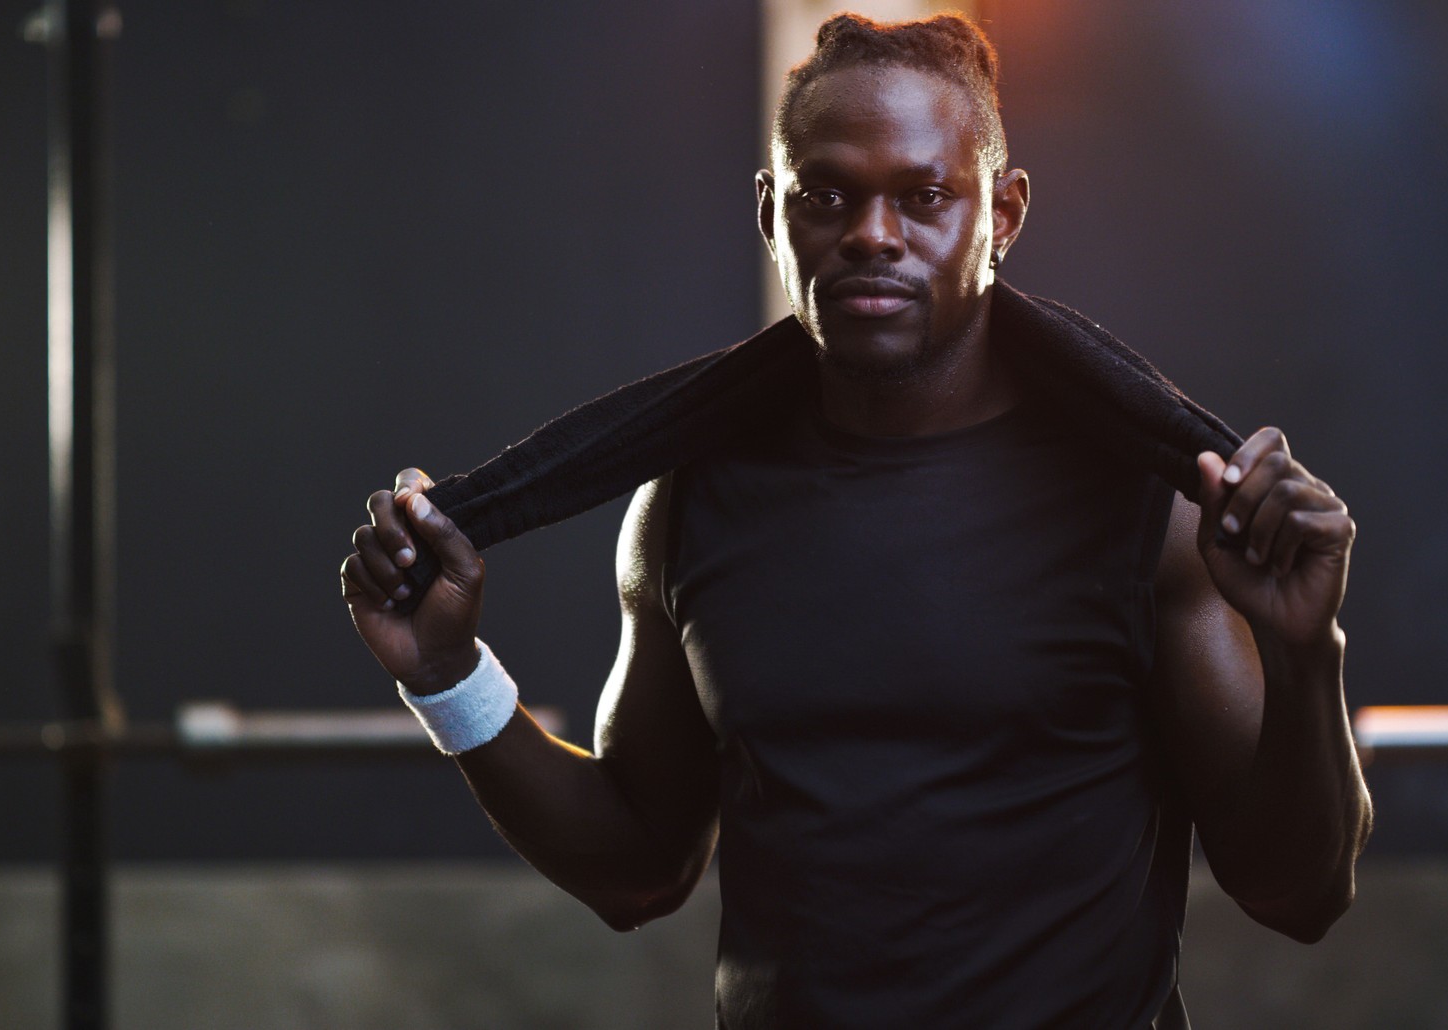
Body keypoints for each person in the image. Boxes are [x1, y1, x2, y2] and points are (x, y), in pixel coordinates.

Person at [339, 13, 1371, 1028]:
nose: (872, 234)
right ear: (770, 213)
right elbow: (638, 869)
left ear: (1001, 215)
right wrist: (445, 676)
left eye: (924, 196)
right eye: (826, 195)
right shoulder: (691, 505)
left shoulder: (1148, 508)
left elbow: (1298, 895)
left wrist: (1302, 648)